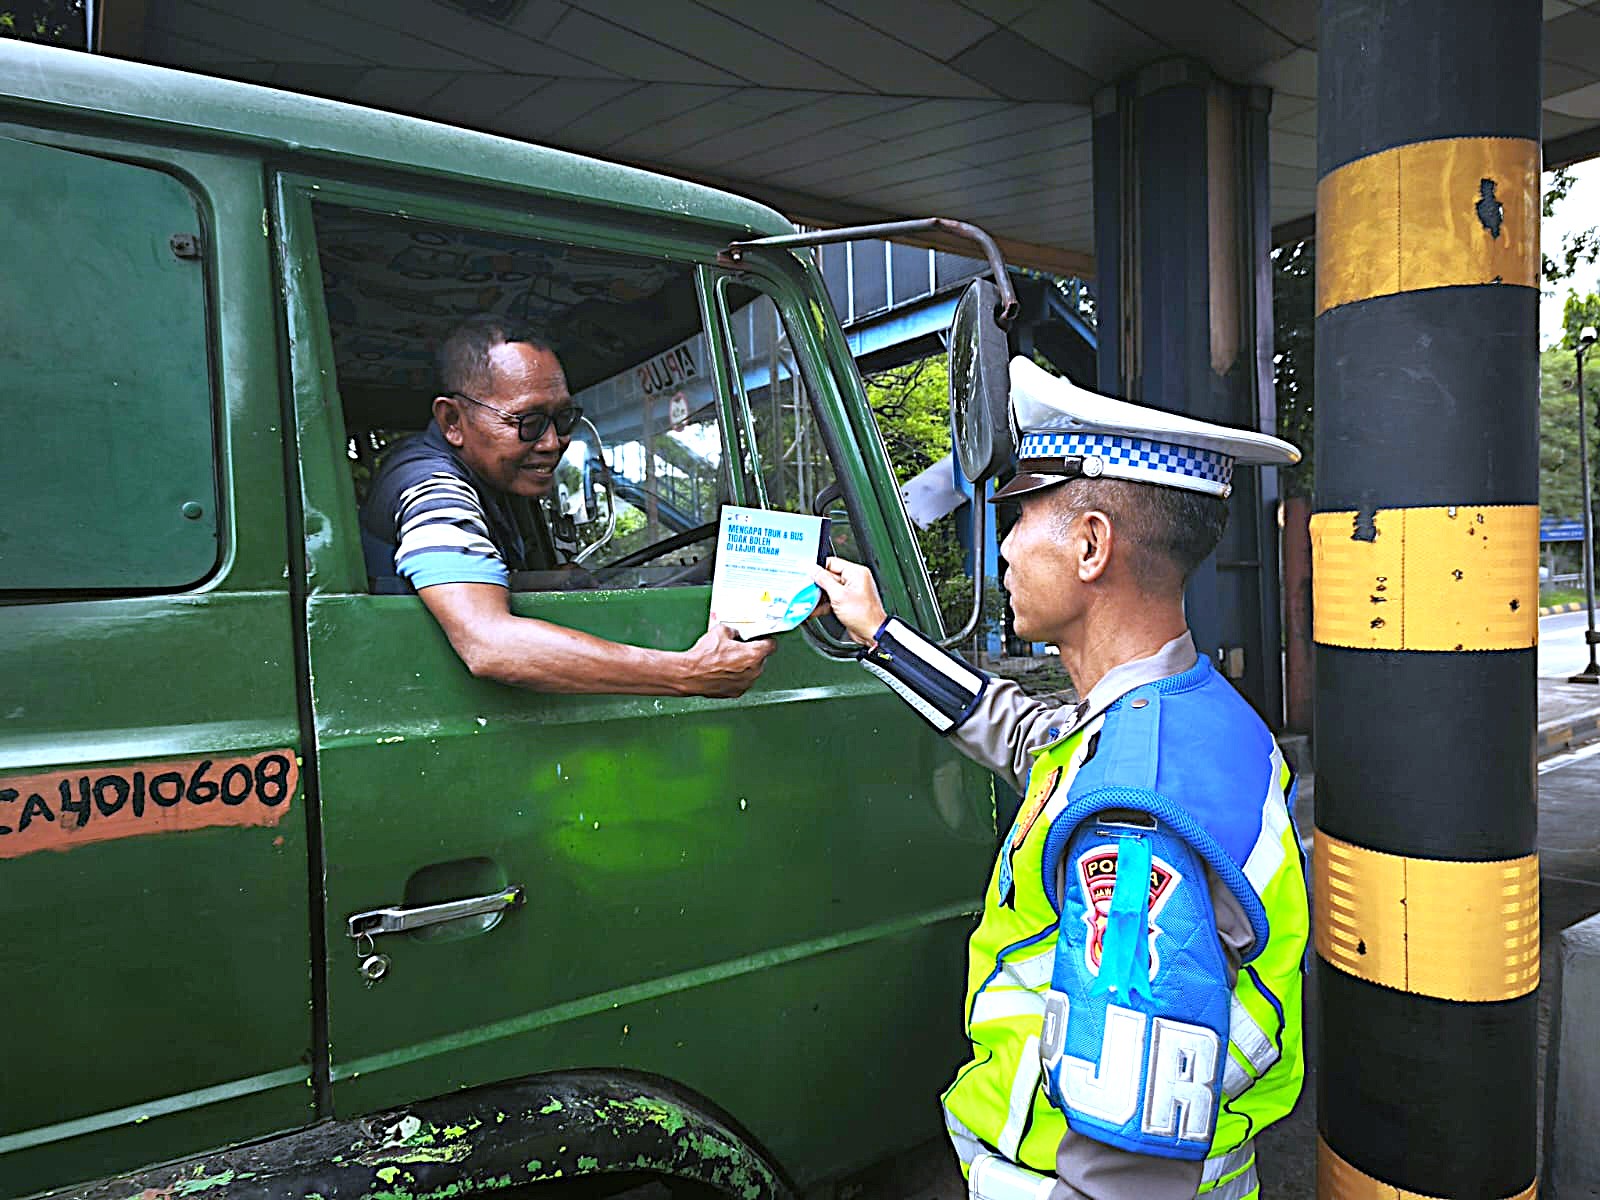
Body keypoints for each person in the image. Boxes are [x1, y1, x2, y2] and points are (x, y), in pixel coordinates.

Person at [811, 358, 1307, 1200]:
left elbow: (1125, 1161)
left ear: (1089, 545)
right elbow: (1029, 737)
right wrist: (880, 636)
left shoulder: (1135, 815)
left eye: (1018, 516)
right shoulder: (1182, 716)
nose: (1002, 546)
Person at [361, 315, 774, 697]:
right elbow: (488, 642)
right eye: (528, 422)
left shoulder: (485, 479)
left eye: (563, 419)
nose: (552, 443)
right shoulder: (431, 488)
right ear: (453, 421)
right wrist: (688, 672)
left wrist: (547, 583)